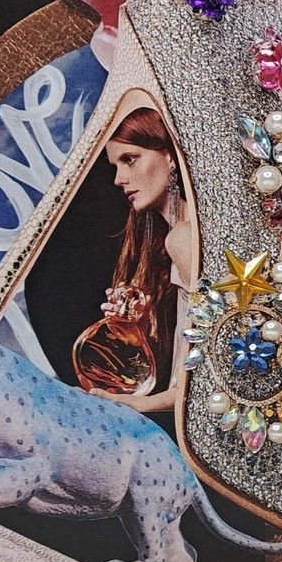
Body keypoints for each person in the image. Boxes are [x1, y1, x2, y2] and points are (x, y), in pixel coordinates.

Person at [85, 107, 194, 413]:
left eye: (130, 159)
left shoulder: (183, 239)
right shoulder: (178, 237)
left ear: (170, 156)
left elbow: (210, 375)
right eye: (116, 166)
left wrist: (139, 404)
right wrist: (140, 327)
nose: (119, 179)